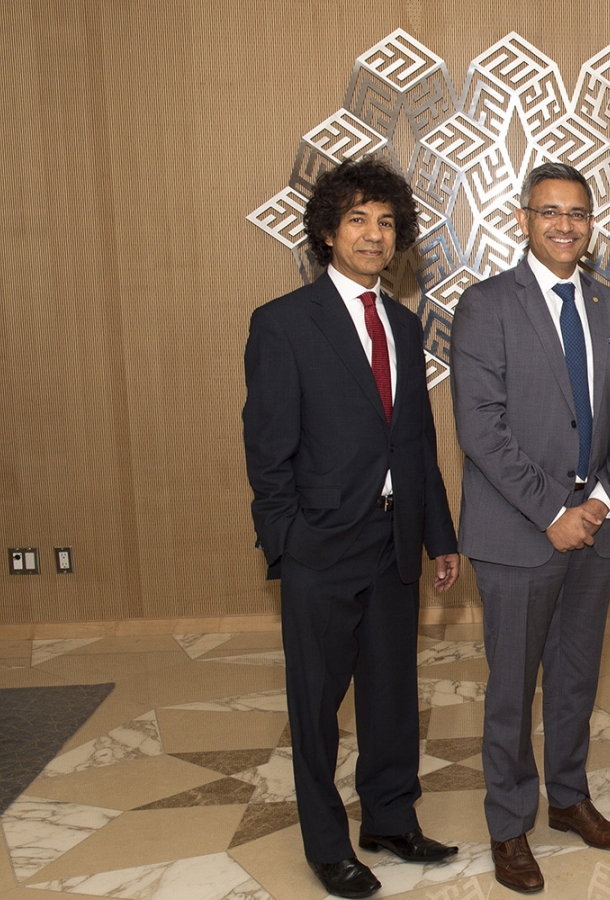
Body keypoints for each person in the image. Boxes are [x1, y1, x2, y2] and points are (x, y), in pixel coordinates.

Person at [243, 156, 462, 899]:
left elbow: (415, 441)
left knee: (393, 692)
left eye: (387, 222)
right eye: (359, 220)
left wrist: (442, 535)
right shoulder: (282, 325)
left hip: (396, 539)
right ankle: (328, 842)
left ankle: (391, 819)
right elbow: (266, 449)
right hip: (320, 546)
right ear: (329, 231)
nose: (374, 235)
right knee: (315, 704)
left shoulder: (402, 322)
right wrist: (288, 540)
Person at [450, 163, 610, 894]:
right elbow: (480, 427)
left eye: (577, 213)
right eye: (549, 212)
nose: (564, 224)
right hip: (516, 534)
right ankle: (510, 825)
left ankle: (567, 799)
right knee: (512, 687)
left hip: (593, 530)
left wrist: (597, 503)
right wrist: (552, 513)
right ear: (522, 219)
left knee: (574, 677)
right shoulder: (485, 305)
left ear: (591, 223)